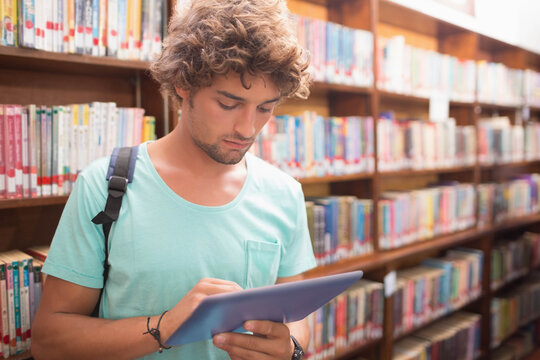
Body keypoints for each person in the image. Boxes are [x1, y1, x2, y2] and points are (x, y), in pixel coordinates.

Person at [31, 0, 316, 359]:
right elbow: (49, 341)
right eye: (228, 104)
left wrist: (289, 345)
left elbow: (299, 321)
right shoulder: (105, 186)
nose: (248, 129)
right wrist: (165, 326)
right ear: (184, 85)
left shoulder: (284, 193)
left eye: (265, 109)